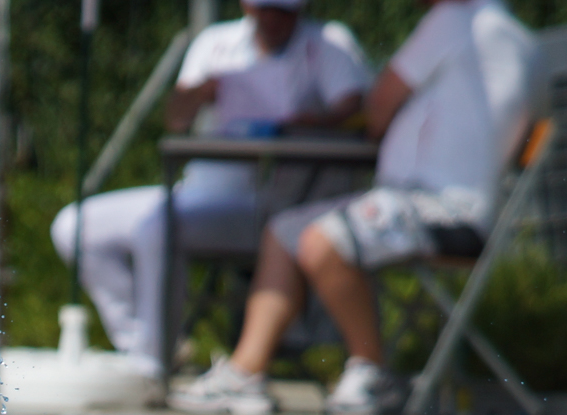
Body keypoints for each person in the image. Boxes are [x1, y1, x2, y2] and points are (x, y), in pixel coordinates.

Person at [169, 0, 540, 415]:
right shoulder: (525, 42)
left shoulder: (455, 20)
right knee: (285, 231)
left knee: (324, 241)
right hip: (455, 210)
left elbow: (379, 107)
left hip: (443, 210)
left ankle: (372, 371)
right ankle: (245, 371)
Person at [50, 0, 370, 367]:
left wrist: (306, 125)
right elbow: (175, 120)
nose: (272, 19)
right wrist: (200, 93)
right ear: (247, 7)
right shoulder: (215, 42)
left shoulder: (329, 43)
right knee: (73, 227)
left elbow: (356, 113)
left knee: (158, 227)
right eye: (264, 9)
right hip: (198, 190)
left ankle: (152, 360)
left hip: (274, 205)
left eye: (282, 11)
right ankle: (141, 346)